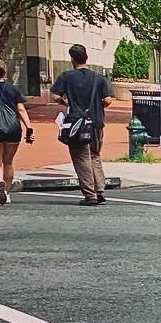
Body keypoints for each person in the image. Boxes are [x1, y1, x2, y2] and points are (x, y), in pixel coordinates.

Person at [50, 43, 114, 206]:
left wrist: (65, 102)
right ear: (86, 57)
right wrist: (98, 106)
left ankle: (89, 194)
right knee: (95, 155)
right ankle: (100, 190)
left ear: (72, 59)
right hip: (96, 122)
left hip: (76, 122)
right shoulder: (99, 78)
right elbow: (107, 100)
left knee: (81, 157)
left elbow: (55, 96)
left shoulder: (66, 76)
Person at [0, 60, 35, 206]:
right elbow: (21, 110)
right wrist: (29, 128)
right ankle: (6, 192)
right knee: (8, 161)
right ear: (5, 72)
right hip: (13, 129)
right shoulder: (14, 89)